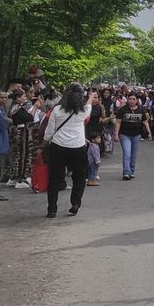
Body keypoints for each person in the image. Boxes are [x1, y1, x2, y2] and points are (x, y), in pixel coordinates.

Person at [43, 83, 90, 218]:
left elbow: (49, 131)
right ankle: (75, 203)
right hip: (78, 146)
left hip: (58, 146)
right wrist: (91, 96)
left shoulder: (57, 110)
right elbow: (89, 105)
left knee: (54, 179)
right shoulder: (83, 111)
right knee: (79, 177)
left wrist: (43, 144)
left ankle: (52, 209)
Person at [114, 92, 151, 180]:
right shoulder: (123, 110)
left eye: (133, 99)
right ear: (127, 99)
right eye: (130, 99)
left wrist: (149, 133)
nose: (131, 101)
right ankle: (126, 172)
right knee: (127, 153)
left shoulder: (141, 110)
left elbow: (145, 122)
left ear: (137, 100)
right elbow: (118, 122)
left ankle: (131, 170)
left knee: (133, 155)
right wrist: (116, 134)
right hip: (124, 135)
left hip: (136, 135)